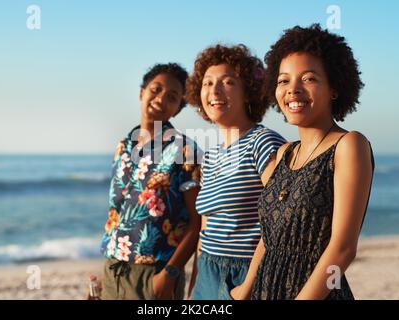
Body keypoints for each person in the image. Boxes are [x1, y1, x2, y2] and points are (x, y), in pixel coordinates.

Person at [231, 24, 375, 300]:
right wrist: (244, 291)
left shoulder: (349, 145)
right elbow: (269, 237)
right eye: (283, 80)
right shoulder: (283, 154)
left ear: (334, 87)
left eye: (308, 78)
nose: (293, 89)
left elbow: (343, 248)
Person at [186, 44, 286, 300]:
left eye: (227, 82)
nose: (214, 91)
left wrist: (247, 286)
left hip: (246, 273)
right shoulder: (210, 156)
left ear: (248, 93)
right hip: (207, 273)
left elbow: (283, 219)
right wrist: (196, 283)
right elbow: (206, 227)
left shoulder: (263, 142)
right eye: (207, 83)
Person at [97, 63, 202, 300]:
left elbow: (198, 225)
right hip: (113, 270)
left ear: (177, 109)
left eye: (172, 97)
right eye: (156, 89)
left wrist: (170, 274)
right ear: (141, 93)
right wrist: (102, 281)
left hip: (155, 274)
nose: (161, 98)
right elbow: (117, 215)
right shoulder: (122, 147)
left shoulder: (185, 151)